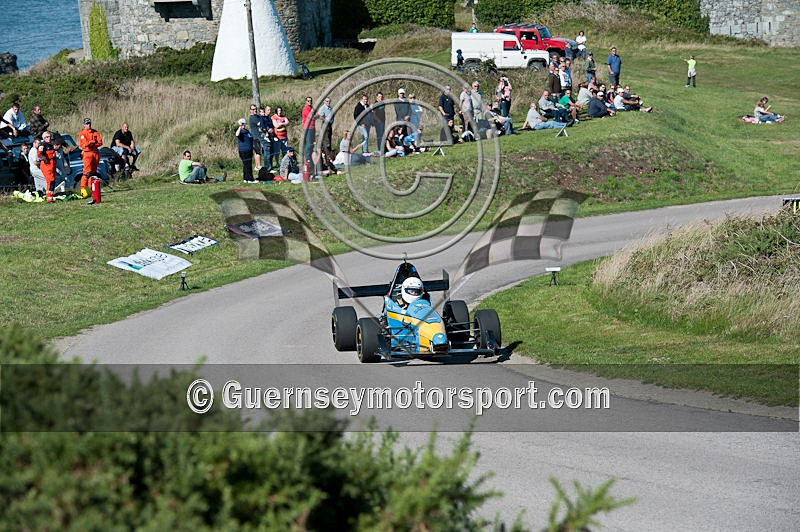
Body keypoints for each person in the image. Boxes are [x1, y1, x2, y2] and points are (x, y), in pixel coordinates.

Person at [78, 117, 102, 198]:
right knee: (87, 172)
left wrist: (91, 143)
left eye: (89, 123)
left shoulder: (95, 132)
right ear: (84, 125)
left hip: (95, 153)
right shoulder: (82, 133)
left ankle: (91, 188)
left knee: (93, 172)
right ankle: (83, 188)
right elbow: (85, 144)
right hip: (87, 153)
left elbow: (100, 142)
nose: (88, 125)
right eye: (87, 124)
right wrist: (92, 142)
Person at [37, 131, 57, 202]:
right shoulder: (42, 145)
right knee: (50, 180)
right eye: (47, 137)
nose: (49, 138)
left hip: (52, 163)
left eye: (50, 137)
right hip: (46, 164)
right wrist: (45, 159)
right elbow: (39, 154)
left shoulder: (51, 144)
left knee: (53, 180)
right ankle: (49, 198)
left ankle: (50, 195)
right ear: (44, 138)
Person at [235, 118, 255, 182]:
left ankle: (246, 178)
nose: (243, 126)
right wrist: (240, 127)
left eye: (244, 124)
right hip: (244, 151)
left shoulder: (247, 131)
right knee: (247, 165)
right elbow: (237, 134)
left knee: (247, 165)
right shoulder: (240, 131)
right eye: (242, 124)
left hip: (249, 150)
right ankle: (250, 179)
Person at [301, 96, 317, 163]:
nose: (309, 102)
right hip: (308, 128)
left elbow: (317, 114)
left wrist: (315, 116)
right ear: (306, 101)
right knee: (308, 143)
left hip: (312, 127)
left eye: (310, 100)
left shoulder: (312, 108)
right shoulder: (305, 109)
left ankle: (310, 156)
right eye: (308, 101)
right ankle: (307, 158)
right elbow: (310, 117)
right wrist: (314, 116)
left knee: (312, 143)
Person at [259, 106, 275, 171]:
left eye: (270, 110)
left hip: (270, 136)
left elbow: (272, 126)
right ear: (265, 110)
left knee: (271, 152)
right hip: (264, 137)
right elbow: (261, 127)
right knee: (267, 152)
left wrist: (272, 130)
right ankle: (267, 168)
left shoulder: (269, 118)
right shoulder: (262, 118)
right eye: (268, 110)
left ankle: (270, 166)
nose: (269, 111)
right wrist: (267, 130)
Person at [248, 104, 262, 170]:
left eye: (255, 109)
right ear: (250, 110)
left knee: (257, 152)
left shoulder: (257, 117)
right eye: (253, 109)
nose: (255, 110)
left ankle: (257, 165)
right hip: (255, 137)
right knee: (258, 152)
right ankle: (258, 165)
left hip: (258, 136)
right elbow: (259, 126)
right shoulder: (252, 118)